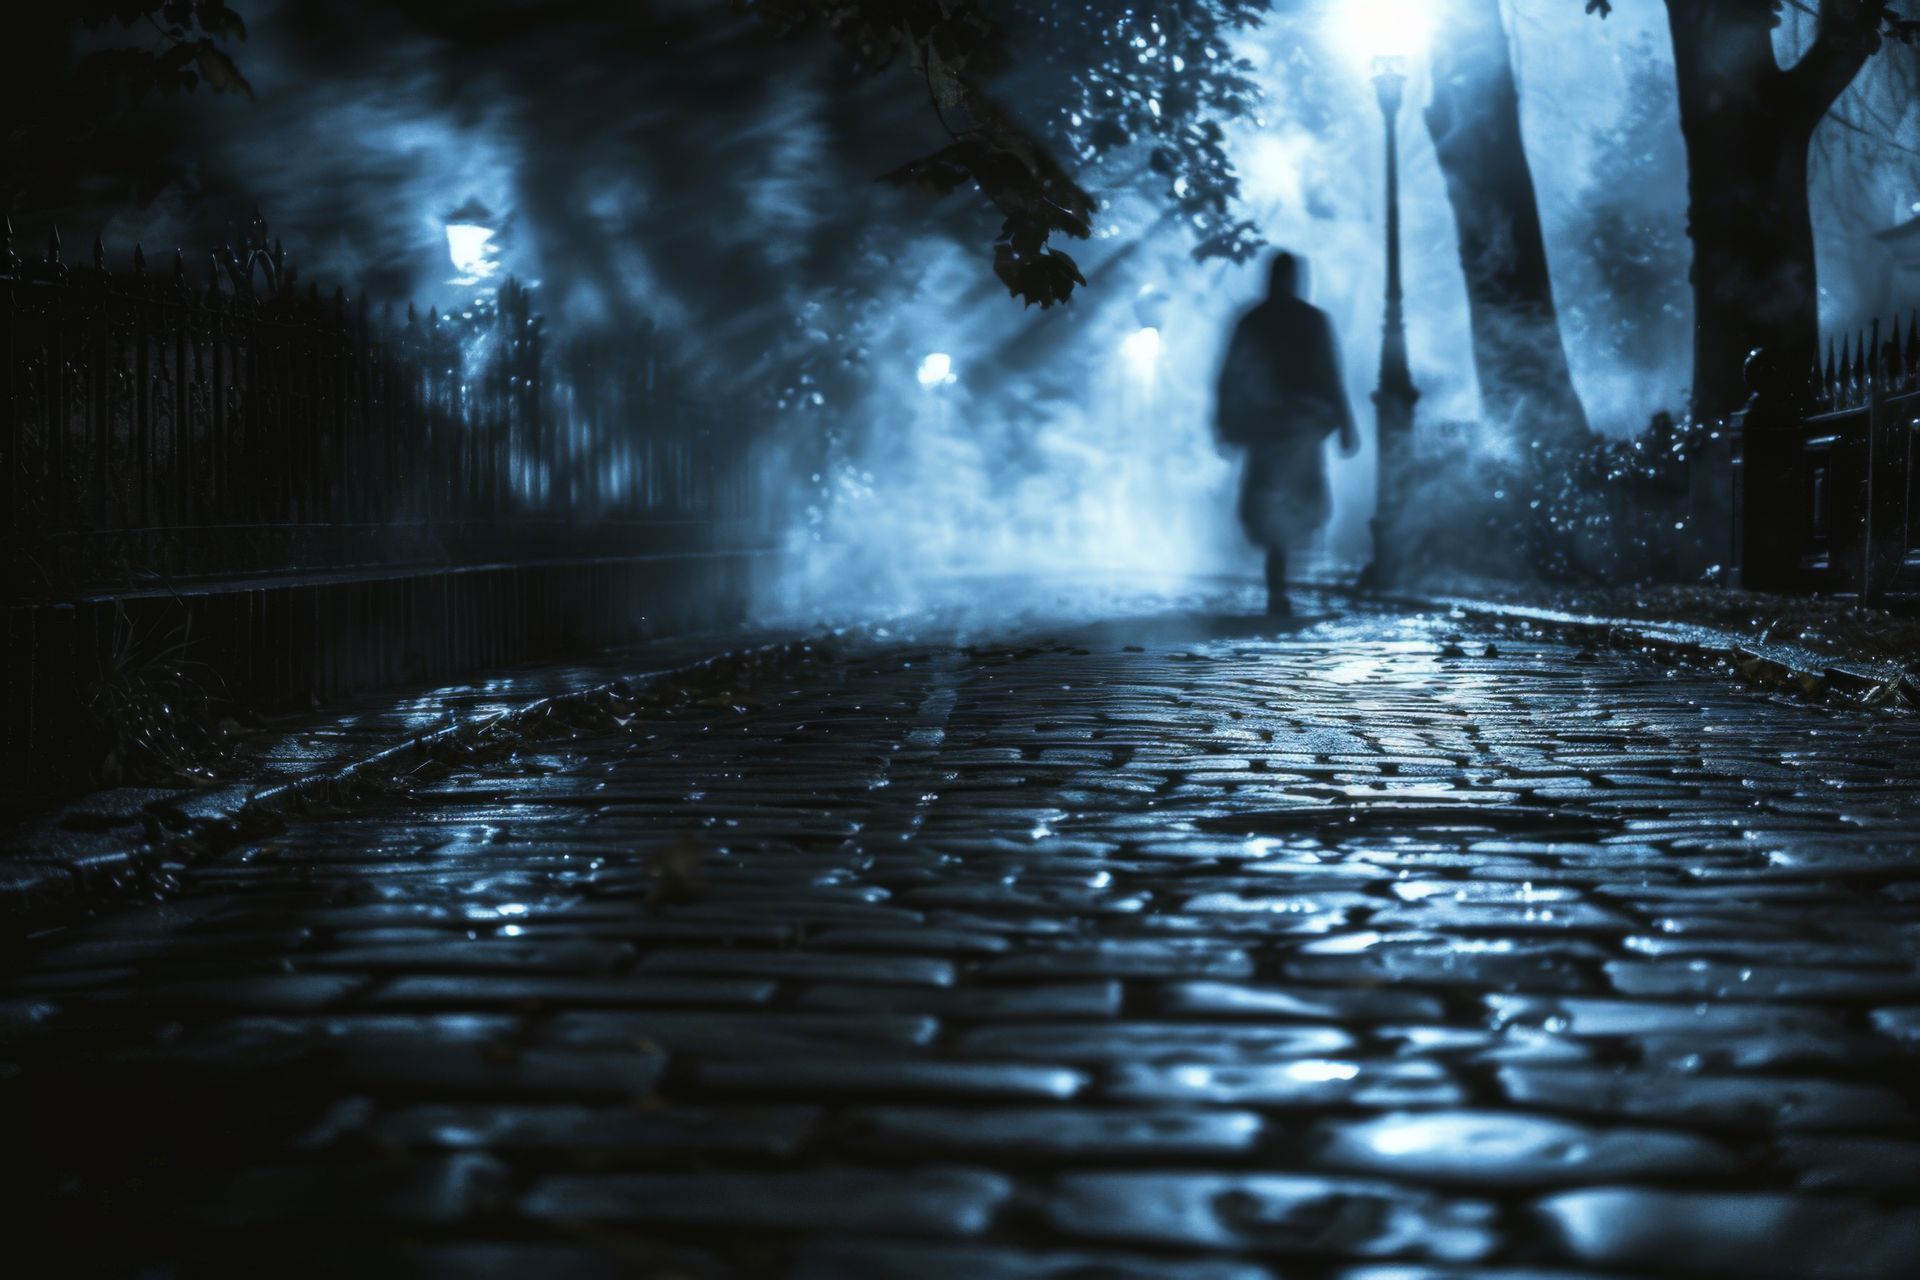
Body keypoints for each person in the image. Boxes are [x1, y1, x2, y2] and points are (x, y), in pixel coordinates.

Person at [1216, 252, 1359, 617]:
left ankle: (1280, 576)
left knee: (1285, 503)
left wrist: (1226, 422)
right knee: (1280, 504)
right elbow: (1330, 375)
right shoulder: (1296, 321)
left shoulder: (1261, 320)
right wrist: (1343, 423)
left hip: (1287, 430)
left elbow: (1329, 373)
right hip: (1287, 429)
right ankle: (1279, 577)